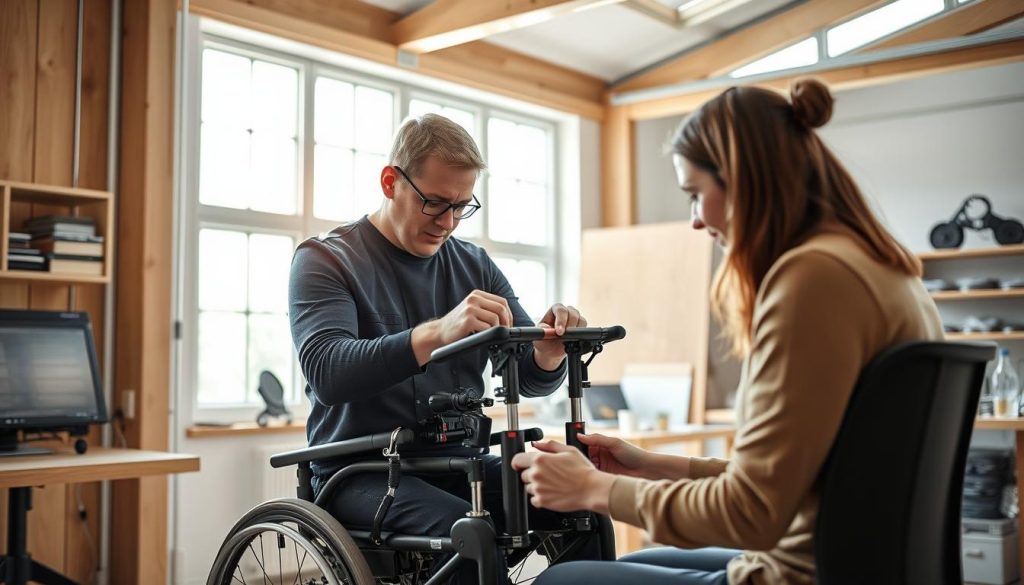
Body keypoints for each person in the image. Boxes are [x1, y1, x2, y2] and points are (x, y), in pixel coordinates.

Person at [511, 78, 943, 585]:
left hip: (803, 573)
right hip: (854, 558)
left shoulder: (812, 279)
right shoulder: (880, 268)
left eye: (696, 195)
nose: (695, 221)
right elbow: (786, 481)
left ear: (743, 180)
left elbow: (753, 511)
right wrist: (650, 464)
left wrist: (592, 489)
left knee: (561, 580)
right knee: (624, 567)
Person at [288, 113, 598, 584]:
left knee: (584, 504)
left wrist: (548, 351)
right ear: (391, 182)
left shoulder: (474, 265)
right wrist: (436, 333)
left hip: (459, 461)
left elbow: (527, 374)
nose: (448, 222)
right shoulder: (326, 259)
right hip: (360, 473)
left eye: (461, 206)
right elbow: (329, 373)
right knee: (470, 532)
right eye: (433, 203)